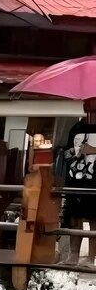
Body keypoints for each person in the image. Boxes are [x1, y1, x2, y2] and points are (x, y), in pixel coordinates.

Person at [59, 99, 96, 266]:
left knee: (95, 222)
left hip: (94, 181)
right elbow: (66, 154)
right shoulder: (76, 128)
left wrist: (93, 150)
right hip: (75, 180)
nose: (88, 108)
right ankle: (73, 256)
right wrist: (73, 152)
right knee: (75, 219)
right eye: (86, 104)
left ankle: (91, 258)